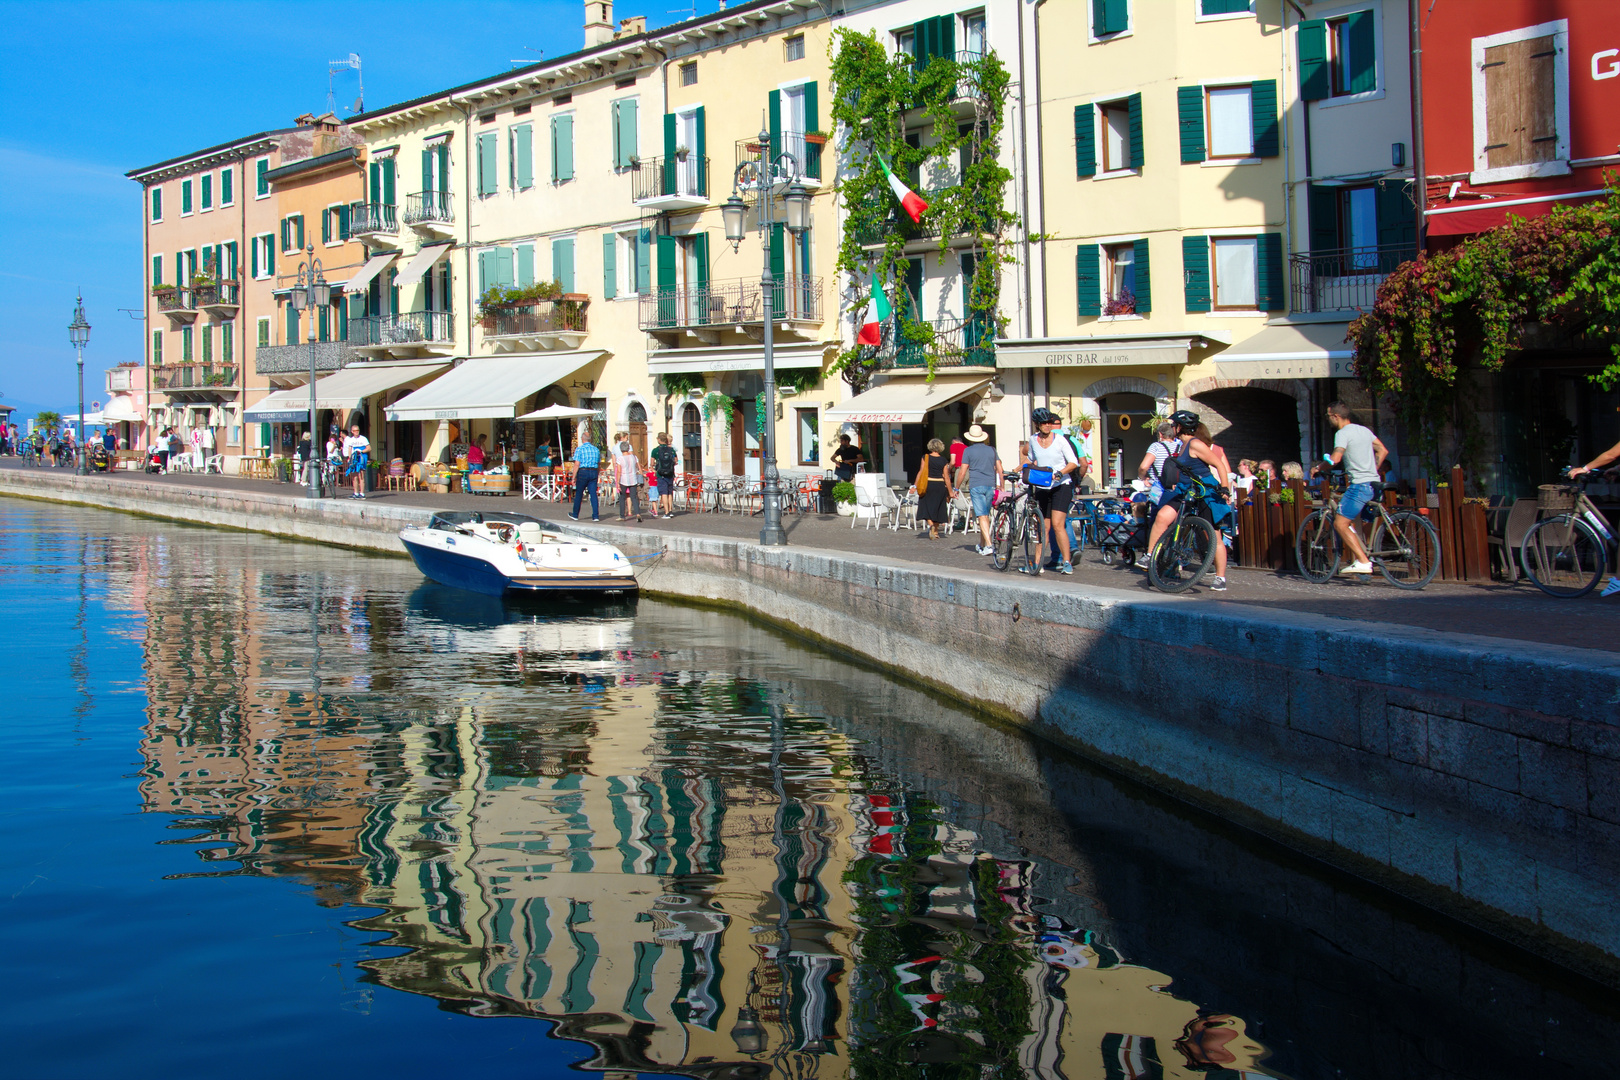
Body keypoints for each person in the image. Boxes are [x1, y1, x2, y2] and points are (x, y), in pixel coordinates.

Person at [1146, 410, 1230, 592]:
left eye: (1173, 426)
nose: (1172, 429)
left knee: (1213, 537)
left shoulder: (1196, 444)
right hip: (1187, 491)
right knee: (1162, 516)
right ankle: (1150, 555)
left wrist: (1224, 487)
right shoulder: (1181, 445)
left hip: (1204, 492)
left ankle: (1220, 577)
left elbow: (1219, 464)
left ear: (1180, 427)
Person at [1316, 401, 1389, 575]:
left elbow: (1336, 458)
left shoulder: (1342, 433)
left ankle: (1363, 561)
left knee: (1340, 523)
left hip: (1360, 484)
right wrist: (1372, 469)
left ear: (1335, 416)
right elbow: (1383, 450)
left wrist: (1318, 468)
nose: (1328, 420)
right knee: (1364, 522)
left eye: (1328, 416)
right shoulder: (1364, 430)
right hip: (1374, 482)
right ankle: (1367, 556)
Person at [1027, 407, 1080, 574]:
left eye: (1049, 422)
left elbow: (1073, 463)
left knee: (1058, 525)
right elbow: (1031, 460)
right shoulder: (1033, 440)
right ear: (1037, 425)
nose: (1048, 426)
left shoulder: (1060, 440)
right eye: (1044, 423)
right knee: (1043, 527)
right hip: (1043, 487)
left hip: (1061, 486)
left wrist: (1060, 473)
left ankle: (1066, 562)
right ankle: (1037, 563)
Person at [960, 424, 1003, 555]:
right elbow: (1000, 468)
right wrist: (1001, 484)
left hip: (976, 485)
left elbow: (962, 471)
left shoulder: (968, 451)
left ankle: (989, 546)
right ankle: (982, 544)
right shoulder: (992, 450)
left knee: (982, 516)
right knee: (985, 515)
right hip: (990, 485)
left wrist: (957, 486)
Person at [915, 437, 954, 540]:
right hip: (940, 485)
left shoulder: (925, 457)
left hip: (928, 484)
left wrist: (915, 485)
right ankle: (935, 531)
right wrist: (950, 492)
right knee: (938, 508)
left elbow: (921, 471)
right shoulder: (943, 460)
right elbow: (946, 477)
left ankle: (931, 524)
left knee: (925, 505)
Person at [1136, 421, 1181, 504]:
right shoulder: (1180, 447)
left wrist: (1142, 478)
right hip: (1178, 489)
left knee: (1156, 514)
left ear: (1160, 434)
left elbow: (1143, 467)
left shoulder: (1156, 447)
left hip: (1159, 489)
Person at [570, 431, 602, 521]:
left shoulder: (579, 449)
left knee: (579, 493)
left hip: (583, 471)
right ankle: (595, 516)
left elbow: (577, 464)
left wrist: (573, 477)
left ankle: (575, 514)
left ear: (582, 439)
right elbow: (599, 464)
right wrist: (597, 473)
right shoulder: (596, 450)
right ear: (590, 439)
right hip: (594, 472)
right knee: (593, 494)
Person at [650, 431, 679, 519]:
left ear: (659, 440)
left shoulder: (655, 450)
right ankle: (670, 511)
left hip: (660, 474)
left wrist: (654, 468)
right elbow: (676, 460)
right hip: (670, 473)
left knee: (664, 493)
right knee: (670, 492)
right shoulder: (671, 450)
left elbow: (651, 463)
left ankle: (666, 512)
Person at [613, 438, 643, 522]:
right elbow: (638, 465)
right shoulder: (634, 457)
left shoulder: (620, 459)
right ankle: (638, 513)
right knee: (634, 497)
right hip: (633, 478)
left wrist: (618, 482)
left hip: (624, 479)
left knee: (622, 498)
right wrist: (640, 473)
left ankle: (622, 516)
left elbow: (619, 471)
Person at [342, 424, 370, 499]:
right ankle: (356, 493)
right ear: (352, 431)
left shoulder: (363, 439)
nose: (356, 432)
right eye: (355, 431)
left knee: (361, 475)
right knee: (354, 476)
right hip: (354, 458)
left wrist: (361, 451)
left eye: (357, 430)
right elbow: (349, 449)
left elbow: (369, 448)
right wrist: (349, 458)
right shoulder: (351, 440)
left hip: (361, 458)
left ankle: (362, 493)